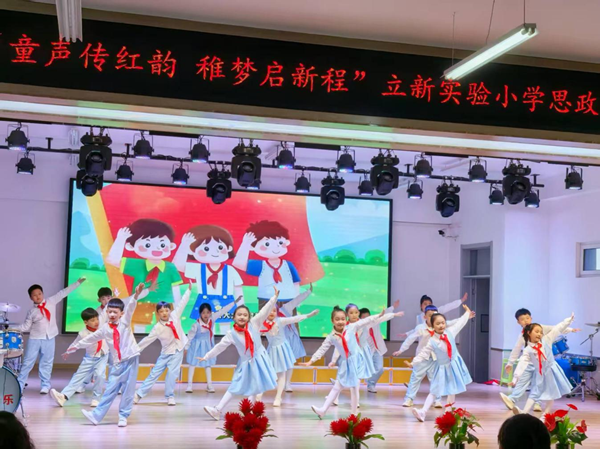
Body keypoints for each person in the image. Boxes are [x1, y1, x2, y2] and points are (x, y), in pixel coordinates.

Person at [64, 282, 152, 427]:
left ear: (121, 313)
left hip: (131, 358)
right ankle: (96, 415)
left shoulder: (125, 322)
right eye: (109, 312)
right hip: (117, 362)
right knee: (110, 388)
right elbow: (90, 338)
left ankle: (123, 416)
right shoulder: (105, 328)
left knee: (128, 389)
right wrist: (74, 347)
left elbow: (131, 306)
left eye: (115, 312)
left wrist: (136, 295)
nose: (112, 314)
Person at [300, 306, 403, 419]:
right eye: (337, 319)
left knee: (352, 387)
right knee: (339, 386)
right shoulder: (331, 337)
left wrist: (379, 315)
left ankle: (351, 414)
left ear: (346, 319)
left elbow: (366, 320)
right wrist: (311, 361)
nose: (340, 322)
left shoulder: (351, 327)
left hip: (357, 360)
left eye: (342, 319)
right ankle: (325, 410)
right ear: (332, 321)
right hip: (346, 363)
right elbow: (322, 349)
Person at [200, 288, 280, 421]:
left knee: (255, 387)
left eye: (245, 315)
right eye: (239, 315)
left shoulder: (254, 324)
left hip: (259, 359)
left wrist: (274, 297)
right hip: (245, 363)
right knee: (235, 386)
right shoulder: (231, 334)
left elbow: (265, 310)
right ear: (234, 317)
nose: (242, 317)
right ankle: (218, 409)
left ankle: (248, 413)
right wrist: (207, 356)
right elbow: (220, 347)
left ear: (248, 317)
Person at [106, 218, 183, 332]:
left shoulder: (170, 267)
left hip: (165, 302)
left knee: (167, 329)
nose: (157, 248)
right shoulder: (138, 264)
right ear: (131, 246)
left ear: (171, 246)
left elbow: (175, 288)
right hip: (141, 301)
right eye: (147, 244)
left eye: (162, 244)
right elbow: (112, 260)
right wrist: (120, 239)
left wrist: (178, 307)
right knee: (139, 327)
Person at [500, 308, 579, 412]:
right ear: (518, 322)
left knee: (541, 385)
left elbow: (556, 329)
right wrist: (511, 366)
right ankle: (513, 400)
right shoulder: (524, 340)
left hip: (545, 366)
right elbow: (517, 350)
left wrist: (569, 327)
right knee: (525, 382)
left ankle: (538, 404)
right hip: (531, 363)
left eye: (527, 318)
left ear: (531, 318)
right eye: (522, 319)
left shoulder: (543, 335)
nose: (525, 321)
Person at [17, 277, 86, 393]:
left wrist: (77, 283)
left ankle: (45, 385)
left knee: (47, 363)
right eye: (34, 295)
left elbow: (63, 292)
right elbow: (25, 327)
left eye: (39, 293)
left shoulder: (51, 301)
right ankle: (19, 384)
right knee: (27, 362)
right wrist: (12, 328)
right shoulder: (31, 311)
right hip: (35, 339)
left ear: (43, 293)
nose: (38, 296)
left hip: (50, 338)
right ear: (31, 298)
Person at [173, 225, 244, 333]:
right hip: (204, 302)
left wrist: (241, 308)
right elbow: (177, 265)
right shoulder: (197, 268)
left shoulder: (230, 270)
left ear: (229, 248)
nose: (214, 252)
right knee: (206, 329)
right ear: (192, 251)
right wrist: (184, 245)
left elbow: (238, 290)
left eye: (220, 247)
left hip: (226, 302)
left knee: (225, 329)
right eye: (206, 249)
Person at [409, 305, 475, 422]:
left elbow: (460, 323)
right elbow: (423, 353)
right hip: (442, 368)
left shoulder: (450, 332)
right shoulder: (432, 341)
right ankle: (423, 411)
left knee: (452, 390)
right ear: (433, 326)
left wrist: (467, 313)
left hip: (453, 365)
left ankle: (448, 413)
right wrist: (413, 362)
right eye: (438, 324)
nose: (441, 326)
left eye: (443, 323)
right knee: (434, 390)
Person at [394, 305, 467, 407]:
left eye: (435, 315)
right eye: (430, 315)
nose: (433, 317)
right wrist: (401, 350)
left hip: (436, 358)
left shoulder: (441, 327)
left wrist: (467, 315)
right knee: (415, 378)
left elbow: (455, 322)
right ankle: (409, 399)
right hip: (422, 357)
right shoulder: (421, 328)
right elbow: (410, 339)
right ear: (425, 317)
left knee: (436, 379)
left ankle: (437, 400)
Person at [134, 283, 193, 406]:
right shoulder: (157, 328)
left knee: (172, 374)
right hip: (166, 352)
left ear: (170, 310)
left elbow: (182, 303)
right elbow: (147, 340)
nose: (165, 313)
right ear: (158, 313)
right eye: (161, 311)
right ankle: (138, 394)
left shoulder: (175, 316)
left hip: (178, 350)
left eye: (166, 310)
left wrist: (188, 290)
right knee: (154, 374)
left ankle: (170, 396)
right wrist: (135, 350)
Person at [258, 300, 319, 406]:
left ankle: (278, 397)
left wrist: (308, 315)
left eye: (274, 311)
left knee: (282, 374)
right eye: (269, 310)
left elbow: (294, 319)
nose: (272, 313)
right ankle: (259, 394)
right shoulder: (261, 323)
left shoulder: (280, 321)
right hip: (272, 350)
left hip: (282, 349)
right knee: (267, 372)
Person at [49, 308, 109, 408]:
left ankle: (96, 399)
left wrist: (109, 303)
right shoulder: (83, 333)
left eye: (96, 319)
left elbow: (104, 313)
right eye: (92, 320)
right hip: (89, 358)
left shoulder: (102, 326)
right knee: (77, 377)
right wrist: (68, 351)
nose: (96, 322)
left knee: (100, 375)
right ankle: (63, 396)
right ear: (86, 322)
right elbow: (76, 343)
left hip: (103, 356)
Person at [185, 296, 244, 393]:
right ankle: (189, 386)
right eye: (203, 313)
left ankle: (209, 385)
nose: (206, 315)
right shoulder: (196, 325)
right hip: (196, 347)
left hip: (207, 345)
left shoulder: (212, 318)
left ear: (210, 312)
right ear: (200, 313)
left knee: (208, 364)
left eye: (208, 312)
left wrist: (234, 302)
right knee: (192, 364)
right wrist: (186, 348)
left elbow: (223, 310)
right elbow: (190, 337)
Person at [358, 299, 400, 393]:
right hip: (366, 351)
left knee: (380, 369)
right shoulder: (360, 326)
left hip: (377, 349)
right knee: (357, 369)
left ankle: (371, 384)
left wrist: (393, 307)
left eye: (369, 316)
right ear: (360, 319)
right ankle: (340, 383)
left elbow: (384, 315)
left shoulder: (375, 321)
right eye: (364, 317)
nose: (368, 319)